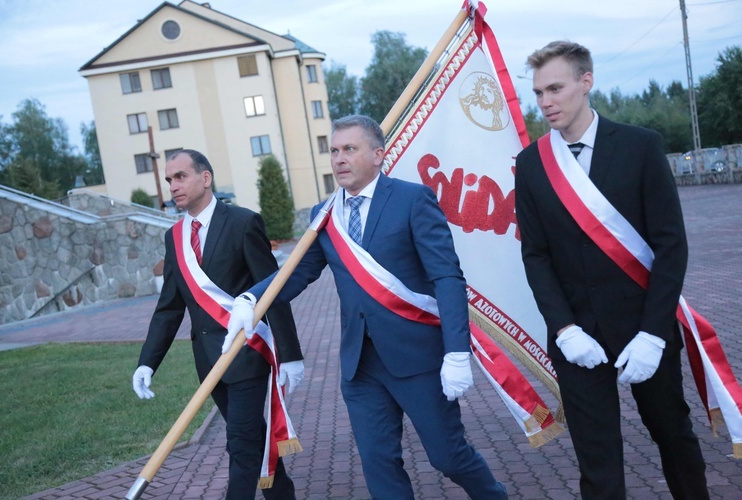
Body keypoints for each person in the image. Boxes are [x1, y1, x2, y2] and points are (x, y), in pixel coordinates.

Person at [224, 115, 507, 499]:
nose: (339, 159)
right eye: (334, 151)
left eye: (349, 150)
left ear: (378, 154)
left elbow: (447, 277)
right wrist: (252, 297)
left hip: (418, 359)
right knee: (379, 466)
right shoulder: (323, 215)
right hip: (361, 365)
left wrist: (457, 352)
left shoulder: (412, 199)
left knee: (448, 458)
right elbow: (298, 272)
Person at [514, 41, 708, 499]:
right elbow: (535, 255)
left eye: (555, 88)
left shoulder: (641, 146)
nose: (545, 102)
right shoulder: (530, 164)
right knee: (596, 456)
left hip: (645, 327)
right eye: (539, 92)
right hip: (577, 336)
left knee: (673, 436)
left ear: (586, 82)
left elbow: (670, 245)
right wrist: (564, 330)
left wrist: (655, 332)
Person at [131, 149, 303, 499]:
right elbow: (169, 309)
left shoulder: (242, 222)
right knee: (253, 437)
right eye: (169, 180)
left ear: (205, 178)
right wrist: (147, 362)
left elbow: (272, 288)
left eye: (180, 177)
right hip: (209, 364)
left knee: (240, 446)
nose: (173, 186)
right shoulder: (174, 237)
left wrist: (290, 353)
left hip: (247, 355)